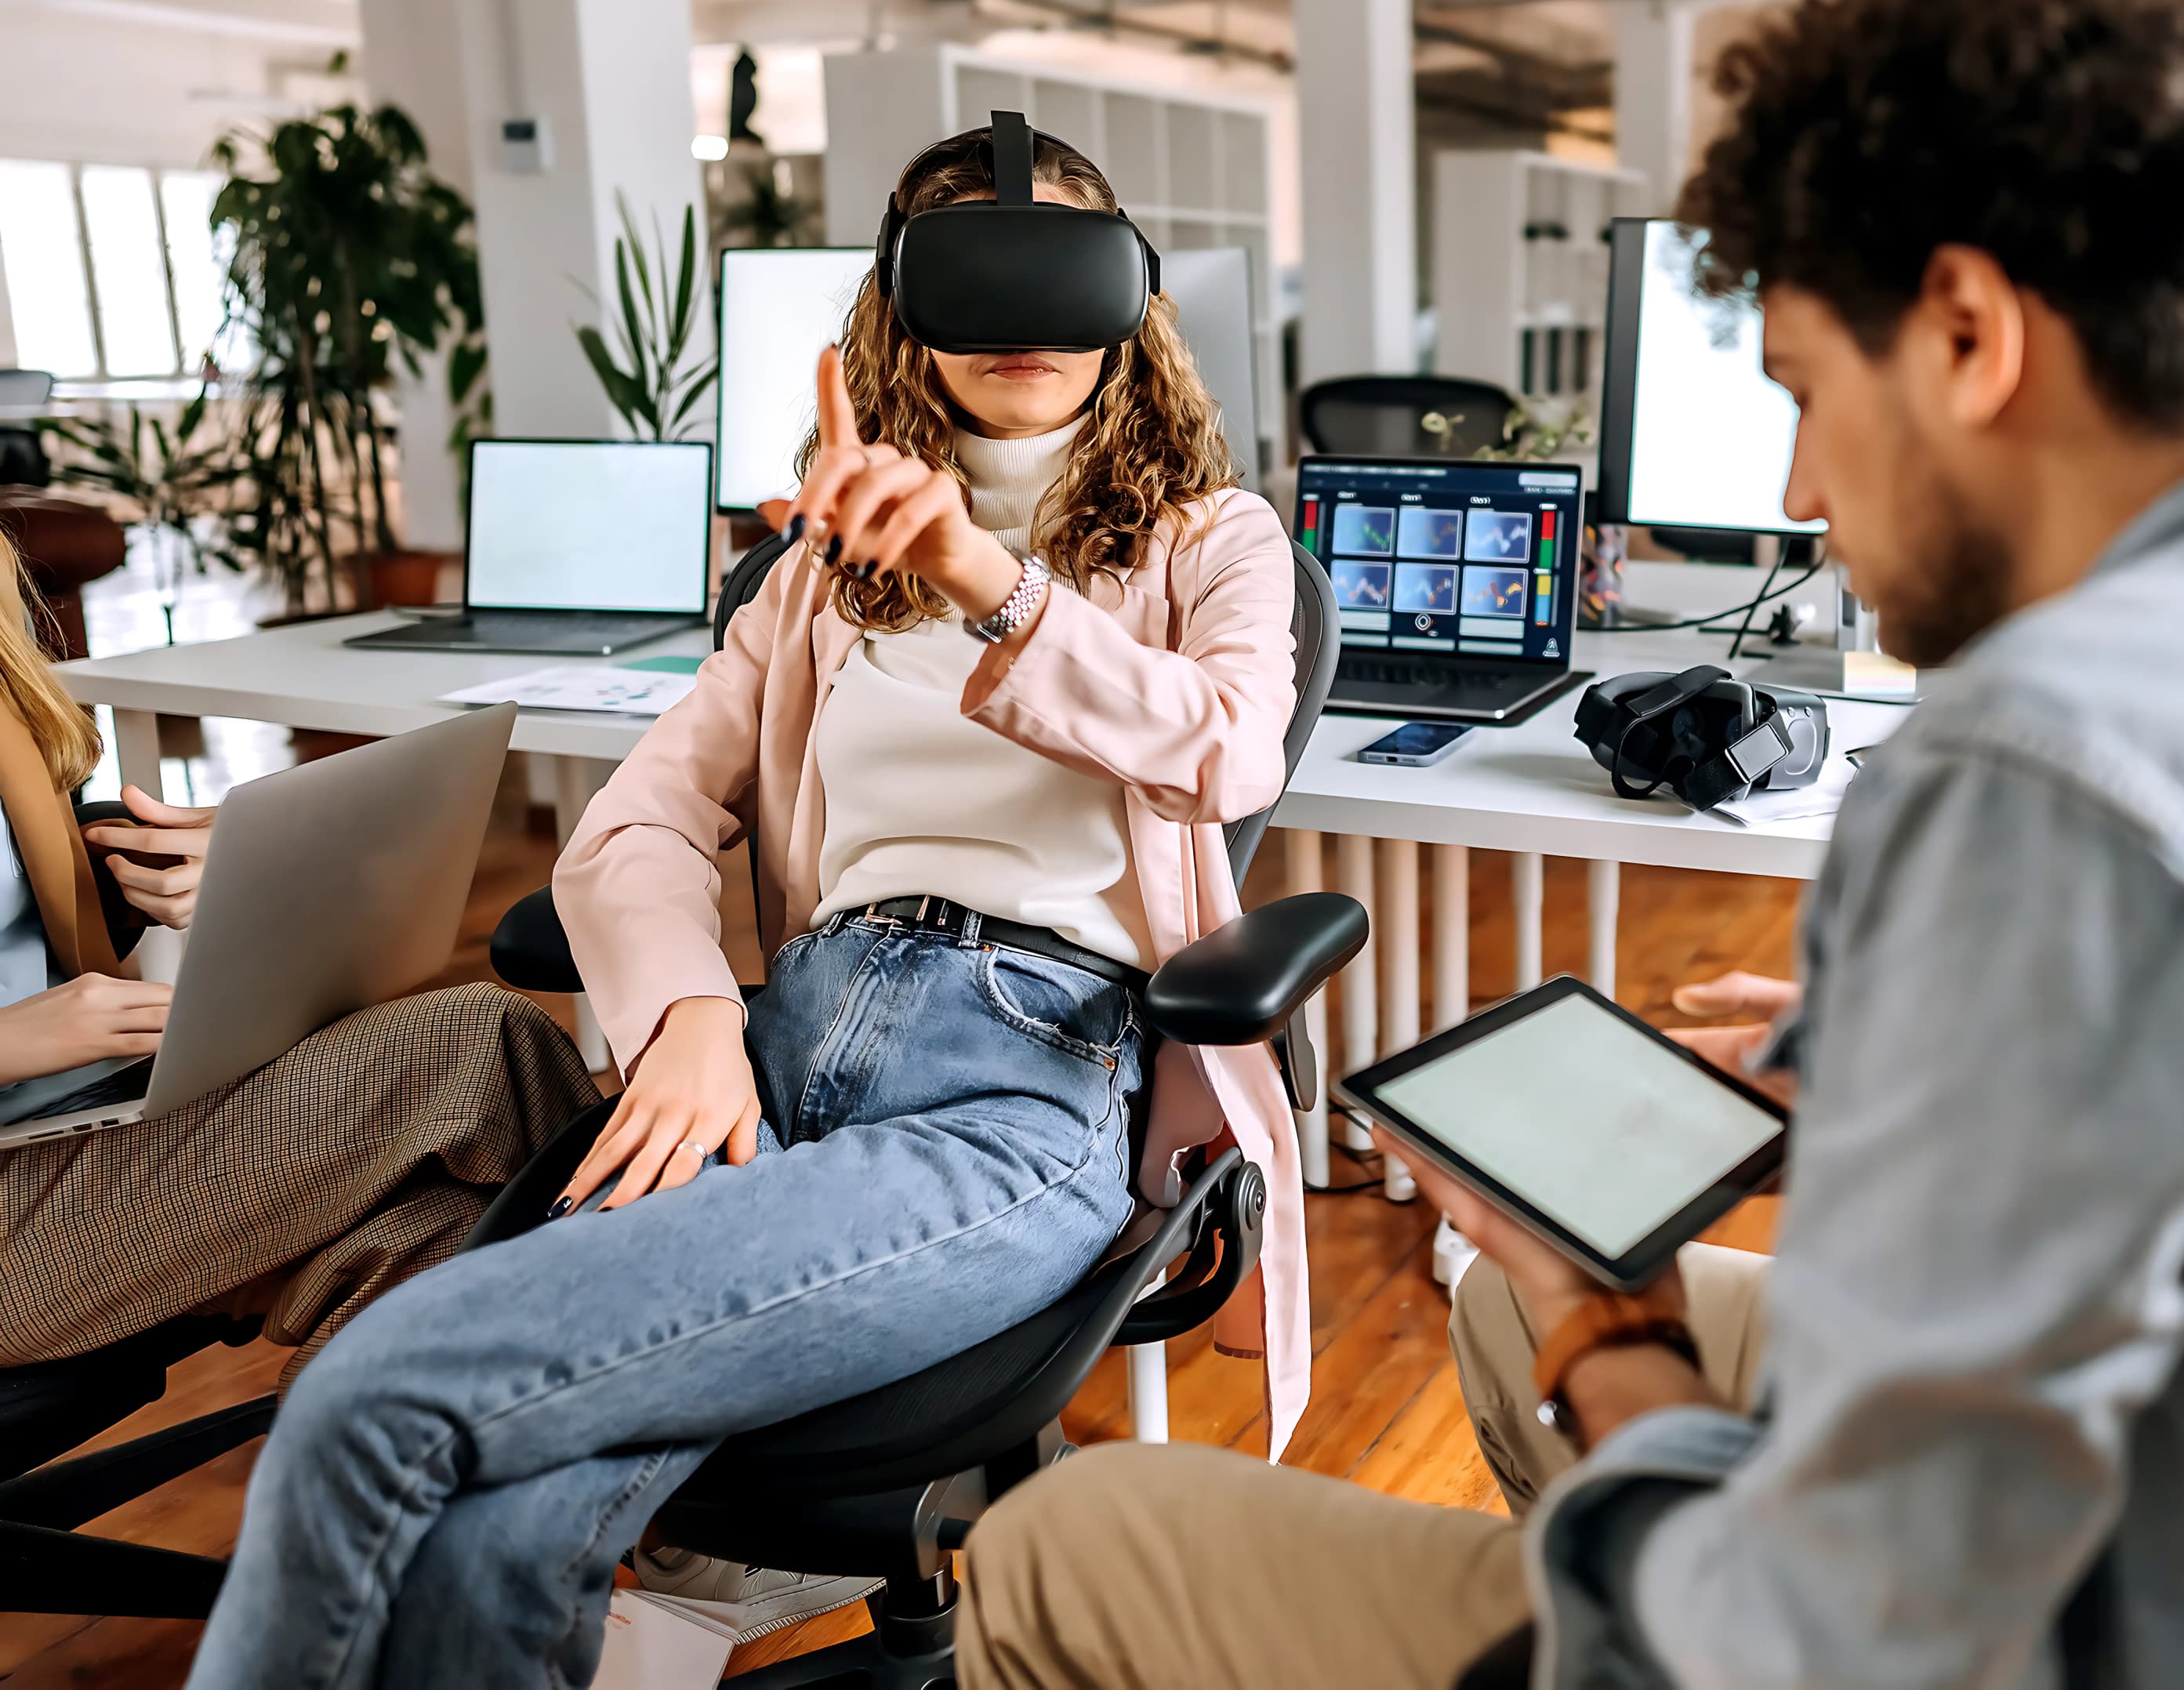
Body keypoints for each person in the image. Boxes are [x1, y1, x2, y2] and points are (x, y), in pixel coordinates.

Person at [950, 0, 2184, 1690]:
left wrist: (1601, 1334)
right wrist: (1943, 1051)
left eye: (1798, 382)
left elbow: (1809, 1640)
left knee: (1076, 1536)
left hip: (2014, 1632)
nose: (1793, 477)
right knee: (1482, 1296)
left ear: (1963, 328)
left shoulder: (2041, 769)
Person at [192, 127, 1305, 1688]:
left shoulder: (1212, 541)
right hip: (774, 1056)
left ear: (1129, 293)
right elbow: (635, 817)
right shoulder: (813, 582)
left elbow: (1223, 744)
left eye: (1059, 263)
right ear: (903, 307)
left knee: (377, 1396)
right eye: (972, 277)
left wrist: (989, 577)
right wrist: (692, 1016)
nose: (1024, 317)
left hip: (1018, 1085)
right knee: (494, 1522)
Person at [0, 531, 598, 1378]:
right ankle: (691, 1378)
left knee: (442, 1227)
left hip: (84, 1111)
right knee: (474, 1043)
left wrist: (134, 858)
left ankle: (371, 1488)